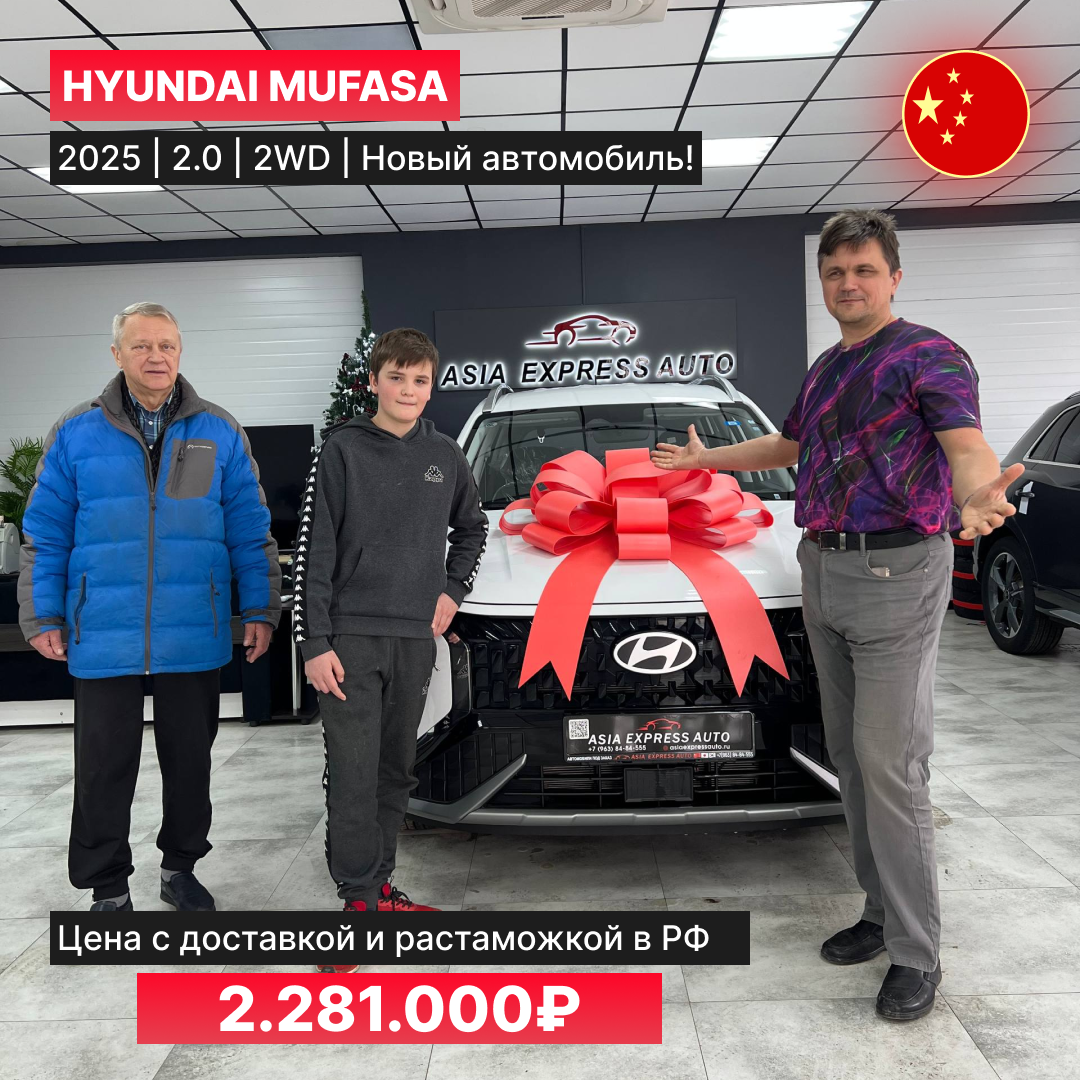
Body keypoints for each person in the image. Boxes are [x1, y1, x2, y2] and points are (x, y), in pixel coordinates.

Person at [652, 209, 1023, 1022]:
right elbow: (787, 447)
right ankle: (880, 912)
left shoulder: (927, 354)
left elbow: (965, 446)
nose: (848, 284)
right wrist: (706, 460)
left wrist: (978, 494)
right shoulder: (828, 367)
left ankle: (917, 953)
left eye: (863, 270)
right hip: (822, 565)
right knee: (852, 759)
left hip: (897, 568)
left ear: (894, 277)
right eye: (835, 272)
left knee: (891, 765)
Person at [18, 302, 281, 913]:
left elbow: (250, 530)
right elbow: (46, 532)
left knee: (190, 762)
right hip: (102, 628)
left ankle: (180, 868)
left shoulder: (219, 430)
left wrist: (260, 608)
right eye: (141, 346)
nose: (155, 356)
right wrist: (43, 613)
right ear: (117, 354)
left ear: (180, 352)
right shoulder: (76, 431)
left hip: (193, 627)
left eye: (166, 345)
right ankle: (108, 888)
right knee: (103, 766)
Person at [293, 327, 487, 972]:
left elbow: (473, 529)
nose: (408, 390)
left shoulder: (445, 455)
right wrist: (313, 642)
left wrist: (453, 590)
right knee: (353, 773)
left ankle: (379, 892)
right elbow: (312, 552)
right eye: (396, 377)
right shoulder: (341, 450)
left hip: (413, 641)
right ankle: (357, 905)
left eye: (420, 380)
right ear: (374, 381)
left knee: (395, 770)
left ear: (432, 387)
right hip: (348, 641)